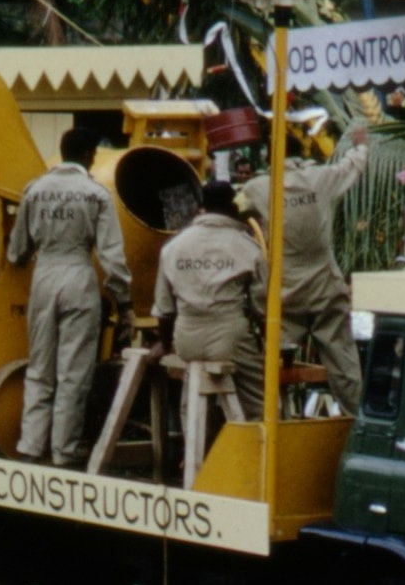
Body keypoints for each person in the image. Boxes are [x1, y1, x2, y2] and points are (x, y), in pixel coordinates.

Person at [9, 125, 131, 467]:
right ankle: (63, 452)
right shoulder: (95, 194)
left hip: (44, 277)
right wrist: (124, 301)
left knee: (40, 367)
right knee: (73, 373)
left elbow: (17, 251)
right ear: (89, 156)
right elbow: (112, 256)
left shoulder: (34, 191)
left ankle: (31, 447)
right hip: (79, 277)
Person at [240, 122, 370, 404]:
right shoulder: (321, 177)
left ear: (268, 157)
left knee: (271, 364)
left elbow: (232, 211)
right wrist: (361, 144)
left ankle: (273, 424)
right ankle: (357, 423)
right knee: (345, 366)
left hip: (284, 294)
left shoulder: (257, 187)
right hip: (325, 287)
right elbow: (354, 165)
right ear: (301, 152)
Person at [154, 179, 268, 421]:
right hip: (230, 337)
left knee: (193, 393)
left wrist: (166, 344)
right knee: (260, 400)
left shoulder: (173, 246)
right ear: (231, 207)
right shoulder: (248, 246)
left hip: (187, 339)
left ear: (201, 206)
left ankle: (194, 452)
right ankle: (256, 452)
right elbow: (262, 307)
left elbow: (164, 309)